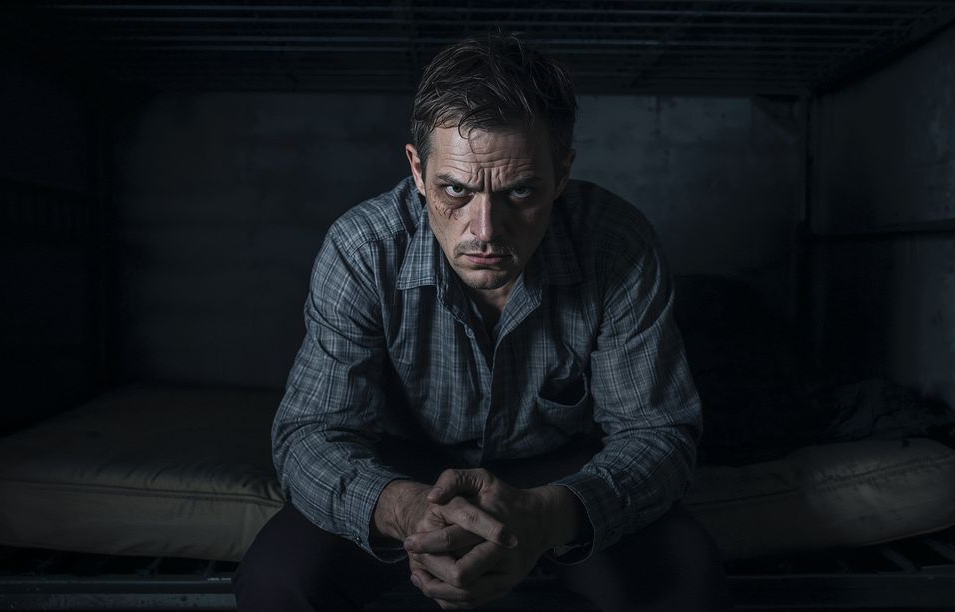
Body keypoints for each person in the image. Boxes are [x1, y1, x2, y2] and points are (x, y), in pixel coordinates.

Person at [233, 34, 729, 611]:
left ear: (562, 173)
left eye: (520, 191)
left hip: (564, 464)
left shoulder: (616, 246)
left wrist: (549, 515)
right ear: (418, 171)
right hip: (400, 460)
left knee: (688, 578)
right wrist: (408, 508)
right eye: (454, 190)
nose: (485, 231)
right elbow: (310, 432)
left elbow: (656, 432)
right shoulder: (362, 249)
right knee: (277, 583)